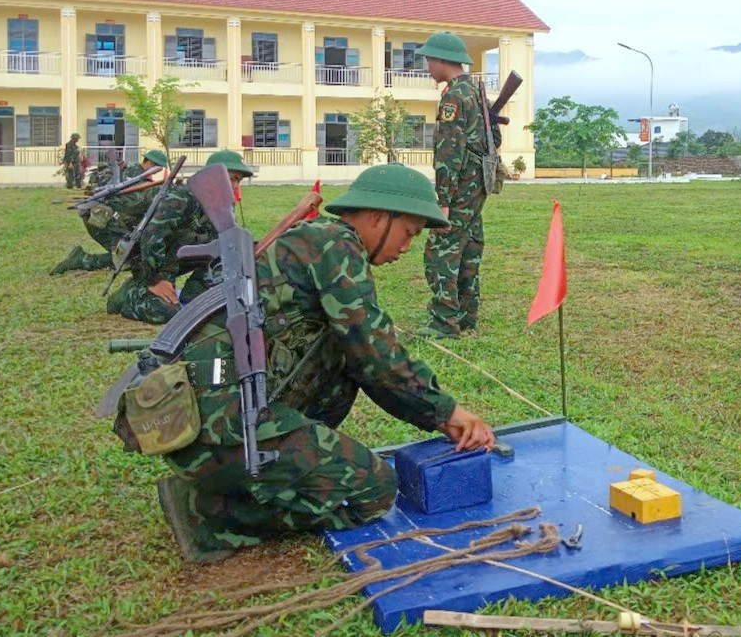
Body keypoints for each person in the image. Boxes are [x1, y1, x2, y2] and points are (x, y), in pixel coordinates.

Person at [112, 163, 496, 563]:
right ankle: (207, 513)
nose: (407, 246)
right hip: (219, 424)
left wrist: (436, 414)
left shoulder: (317, 242)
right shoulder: (334, 245)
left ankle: (252, 474)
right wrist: (449, 414)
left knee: (340, 366)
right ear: (380, 217)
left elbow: (365, 363)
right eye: (409, 233)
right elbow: (378, 354)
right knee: (373, 490)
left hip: (210, 418)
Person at [415, 32, 500, 339]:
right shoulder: (476, 91)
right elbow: (494, 140)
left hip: (461, 186)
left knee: (441, 250)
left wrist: (442, 200)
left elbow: (449, 153)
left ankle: (444, 322)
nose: (427, 65)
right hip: (479, 186)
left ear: (440, 60)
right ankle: (466, 316)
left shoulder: (453, 97)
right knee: (469, 247)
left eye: (429, 59)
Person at [105, 150, 252, 324]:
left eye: (238, 181)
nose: (235, 186)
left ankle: (195, 293)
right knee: (168, 313)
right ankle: (130, 295)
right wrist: (157, 279)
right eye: (232, 178)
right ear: (212, 176)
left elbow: (224, 244)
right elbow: (151, 237)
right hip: (155, 266)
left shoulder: (222, 205)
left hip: (185, 260)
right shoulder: (183, 197)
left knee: (210, 306)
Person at [51, 149, 170, 275]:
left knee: (130, 254)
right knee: (128, 258)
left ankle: (82, 258)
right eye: (159, 167)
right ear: (151, 163)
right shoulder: (140, 182)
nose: (160, 171)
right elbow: (137, 207)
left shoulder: (128, 171)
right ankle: (81, 260)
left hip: (98, 217)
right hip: (105, 221)